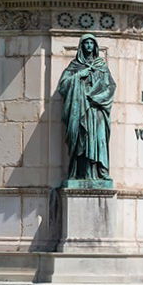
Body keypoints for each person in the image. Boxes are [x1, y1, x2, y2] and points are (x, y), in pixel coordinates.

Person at [58, 33, 114, 184]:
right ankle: (81, 173)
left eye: (91, 43)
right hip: (81, 110)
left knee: (99, 140)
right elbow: (63, 86)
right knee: (82, 140)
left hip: (97, 110)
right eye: (86, 43)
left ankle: (100, 171)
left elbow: (110, 87)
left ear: (95, 46)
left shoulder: (101, 66)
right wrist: (78, 76)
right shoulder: (74, 66)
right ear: (81, 46)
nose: (88, 46)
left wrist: (96, 98)